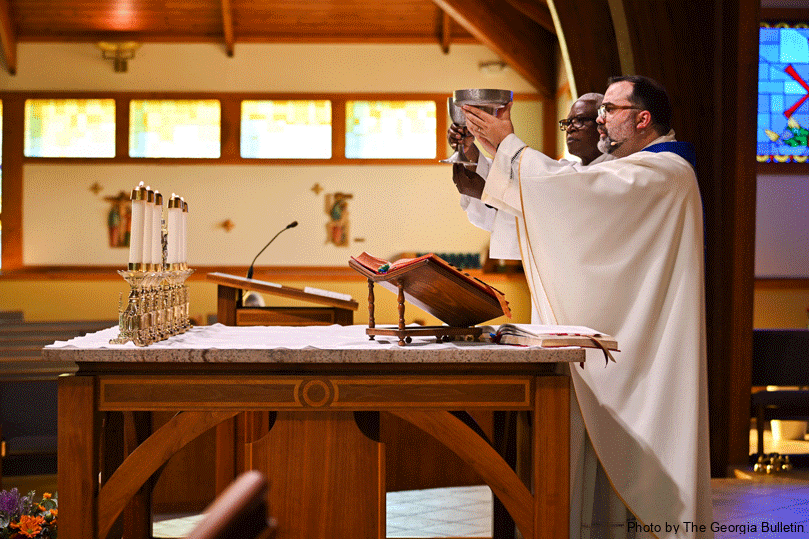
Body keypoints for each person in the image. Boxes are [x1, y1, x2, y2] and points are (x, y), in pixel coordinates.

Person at [461, 76, 712, 539]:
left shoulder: (663, 172)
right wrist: (488, 155)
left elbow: (577, 192)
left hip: (644, 360)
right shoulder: (636, 170)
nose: (600, 118)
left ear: (643, 118)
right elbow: (572, 207)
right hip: (619, 348)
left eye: (609, 109)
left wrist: (507, 146)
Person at [449, 93, 610, 318]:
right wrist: (470, 150)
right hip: (557, 290)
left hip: (590, 294)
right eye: (568, 122)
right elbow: (525, 208)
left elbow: (548, 212)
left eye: (581, 120)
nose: (571, 128)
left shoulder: (611, 173)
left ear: (604, 124)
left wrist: (486, 191)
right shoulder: (567, 169)